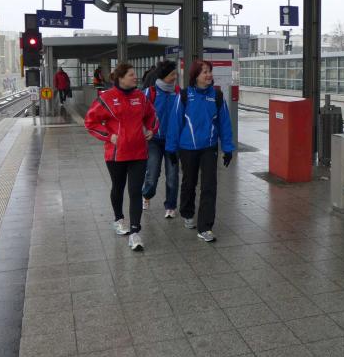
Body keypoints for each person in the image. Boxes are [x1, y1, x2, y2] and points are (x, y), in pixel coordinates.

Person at [84, 63, 157, 251]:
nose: (135, 77)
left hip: (139, 152)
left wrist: (151, 129)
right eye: (131, 74)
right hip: (116, 155)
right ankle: (118, 219)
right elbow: (90, 122)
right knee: (118, 187)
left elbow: (152, 115)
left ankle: (135, 233)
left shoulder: (140, 97)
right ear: (120, 78)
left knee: (135, 191)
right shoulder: (106, 98)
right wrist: (109, 136)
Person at [165, 60, 234, 242]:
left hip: (209, 148)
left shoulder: (217, 96)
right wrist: (171, 149)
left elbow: (224, 123)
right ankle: (187, 212)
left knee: (209, 185)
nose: (208, 75)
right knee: (189, 183)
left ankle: (205, 227)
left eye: (209, 71)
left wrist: (228, 148)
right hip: (187, 148)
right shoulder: (185, 95)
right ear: (195, 76)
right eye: (204, 72)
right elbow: (175, 122)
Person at [141, 60, 180, 217]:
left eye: (175, 74)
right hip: (154, 140)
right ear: (163, 76)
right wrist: (146, 131)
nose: (175, 77)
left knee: (172, 175)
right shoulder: (150, 92)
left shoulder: (178, 92)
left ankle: (170, 206)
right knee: (152, 173)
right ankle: (146, 195)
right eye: (172, 74)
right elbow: (140, 115)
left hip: (173, 141)